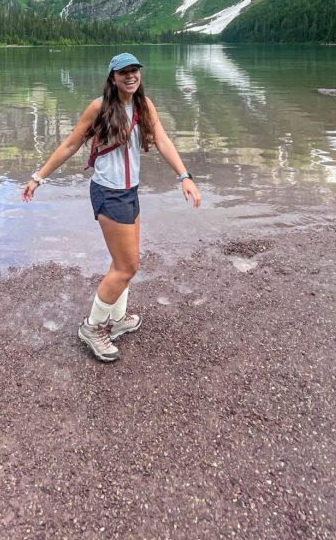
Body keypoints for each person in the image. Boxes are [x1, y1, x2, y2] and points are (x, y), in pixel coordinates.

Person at [21, 52, 201, 362]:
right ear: (112, 78)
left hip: (130, 192)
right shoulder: (99, 108)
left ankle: (116, 320)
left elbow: (162, 140)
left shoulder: (144, 106)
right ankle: (92, 327)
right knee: (127, 266)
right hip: (108, 193)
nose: (131, 76)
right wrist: (38, 177)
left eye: (135, 70)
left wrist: (184, 176)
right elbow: (70, 144)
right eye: (123, 72)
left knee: (126, 263)